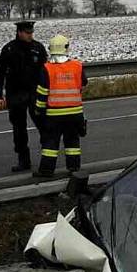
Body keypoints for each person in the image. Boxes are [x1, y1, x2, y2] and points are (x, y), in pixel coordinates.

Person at [0, 21, 48, 172]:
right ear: (19, 32)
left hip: (34, 93)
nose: (30, 35)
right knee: (19, 130)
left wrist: (47, 92)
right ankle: (23, 161)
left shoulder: (38, 48)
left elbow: (46, 71)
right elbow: (0, 73)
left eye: (31, 32)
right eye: (27, 32)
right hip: (15, 94)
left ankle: (48, 157)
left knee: (43, 126)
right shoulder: (9, 49)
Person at [33, 35, 88, 177]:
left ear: (50, 49)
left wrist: (39, 109)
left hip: (54, 114)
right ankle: (74, 169)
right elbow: (83, 83)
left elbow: (42, 92)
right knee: (73, 142)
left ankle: (46, 171)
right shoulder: (77, 66)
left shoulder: (47, 68)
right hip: (75, 113)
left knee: (50, 143)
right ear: (66, 48)